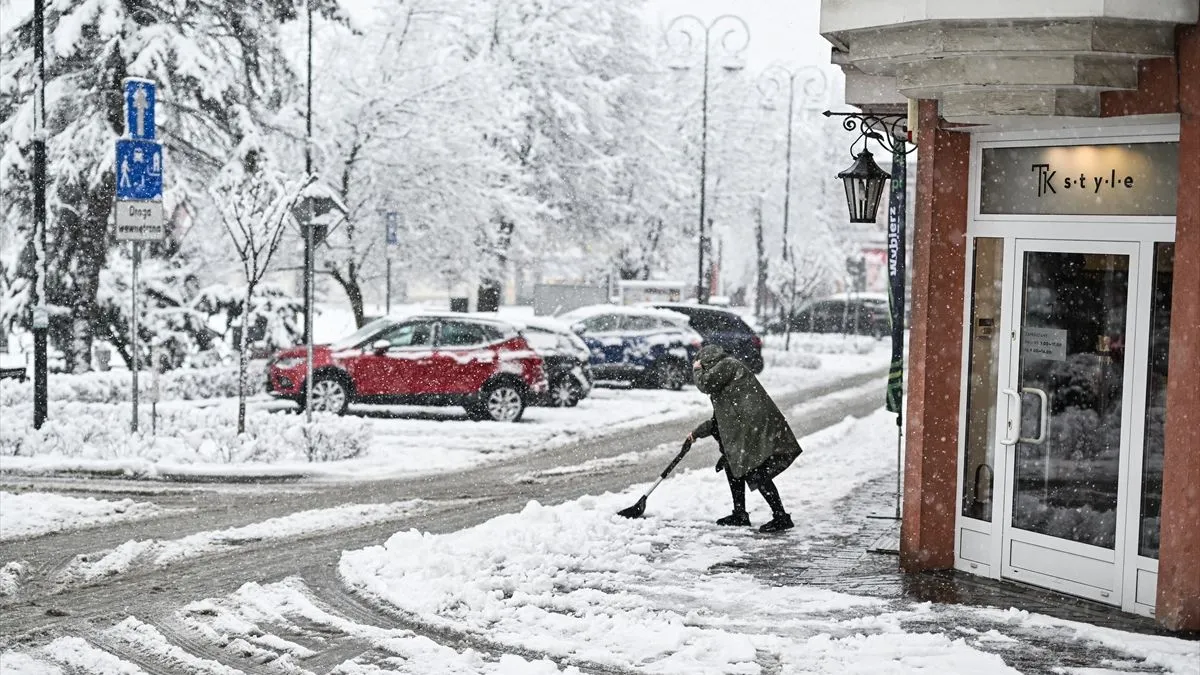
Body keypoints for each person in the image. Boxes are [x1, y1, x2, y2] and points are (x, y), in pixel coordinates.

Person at [686, 344, 802, 533]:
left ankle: (781, 517)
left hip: (754, 427)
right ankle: (740, 514)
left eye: (703, 366)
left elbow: (705, 383)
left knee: (756, 471)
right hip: (749, 426)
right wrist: (696, 433)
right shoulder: (725, 377)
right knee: (732, 465)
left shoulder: (727, 365)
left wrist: (697, 370)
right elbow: (718, 420)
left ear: (707, 362)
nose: (702, 370)